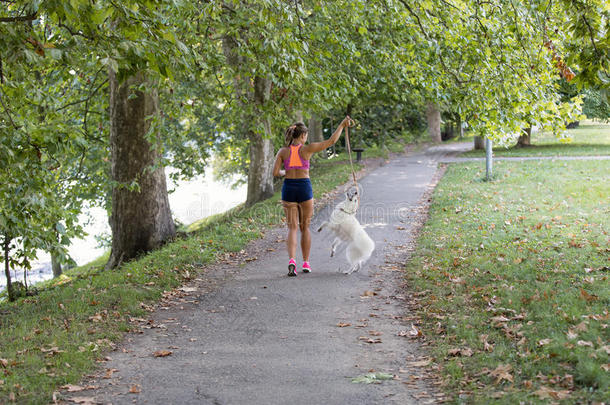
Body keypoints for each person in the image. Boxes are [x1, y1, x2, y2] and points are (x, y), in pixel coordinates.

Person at [272, 116, 353, 277]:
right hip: (304, 188)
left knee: (292, 228)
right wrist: (342, 125)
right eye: (306, 136)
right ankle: (306, 263)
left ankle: (292, 262)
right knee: (305, 227)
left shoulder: (283, 152)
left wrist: (285, 172)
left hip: (288, 188)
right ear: (302, 136)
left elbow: (275, 173)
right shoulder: (306, 149)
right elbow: (330, 141)